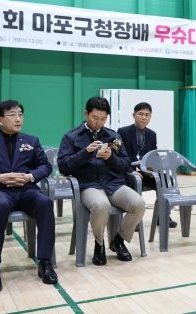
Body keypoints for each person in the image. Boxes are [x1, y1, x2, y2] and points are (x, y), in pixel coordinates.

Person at [0, 100, 56, 293]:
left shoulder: (32, 141)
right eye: (12, 115)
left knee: (45, 203)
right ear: (0, 120)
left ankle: (45, 262)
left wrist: (30, 176)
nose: (18, 119)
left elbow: (46, 166)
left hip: (26, 190)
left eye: (21, 114)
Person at [58, 97, 145, 266]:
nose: (99, 123)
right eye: (95, 118)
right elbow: (64, 167)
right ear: (86, 114)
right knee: (101, 205)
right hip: (88, 185)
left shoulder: (113, 137)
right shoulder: (72, 137)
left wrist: (110, 157)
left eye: (103, 119)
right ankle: (100, 244)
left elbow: (125, 164)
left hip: (113, 184)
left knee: (139, 204)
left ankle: (118, 240)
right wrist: (85, 153)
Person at [117, 102, 176, 228]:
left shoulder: (151, 134)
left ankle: (163, 215)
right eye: (140, 114)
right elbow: (120, 155)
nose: (144, 117)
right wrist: (131, 170)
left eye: (147, 115)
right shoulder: (123, 132)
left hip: (145, 171)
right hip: (128, 171)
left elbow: (153, 155)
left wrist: (153, 169)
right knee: (134, 180)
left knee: (167, 180)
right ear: (134, 115)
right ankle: (134, 220)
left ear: (150, 116)